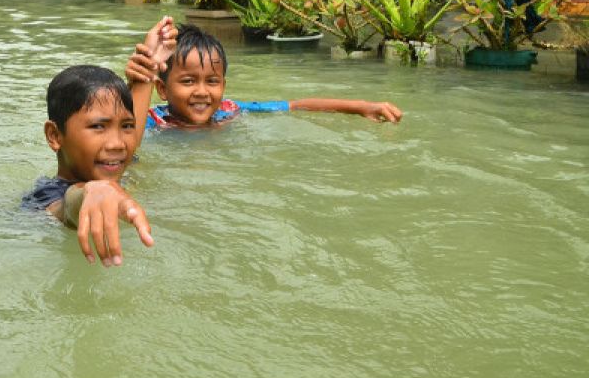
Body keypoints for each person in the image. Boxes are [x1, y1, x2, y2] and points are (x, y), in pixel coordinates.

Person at [125, 19, 403, 133]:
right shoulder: (152, 122)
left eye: (212, 81)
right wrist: (141, 79)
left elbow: (295, 106)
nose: (202, 91)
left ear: (223, 85)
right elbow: (124, 132)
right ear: (162, 89)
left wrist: (362, 107)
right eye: (188, 81)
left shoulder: (228, 111)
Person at [20, 65, 154, 268]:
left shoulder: (115, 164)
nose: (118, 143)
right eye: (98, 126)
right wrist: (95, 190)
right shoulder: (47, 197)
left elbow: (134, 133)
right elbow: (68, 206)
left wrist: (148, 70)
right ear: (54, 136)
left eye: (126, 126)